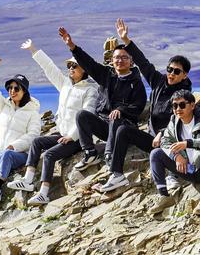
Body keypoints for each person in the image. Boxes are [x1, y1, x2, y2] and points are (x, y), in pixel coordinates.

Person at [6, 38, 100, 205]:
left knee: (49, 155)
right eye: (69, 66)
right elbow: (49, 67)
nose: (70, 68)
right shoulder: (65, 84)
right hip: (63, 134)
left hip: (78, 138)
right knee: (37, 142)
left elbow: (88, 114)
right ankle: (27, 180)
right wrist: (33, 50)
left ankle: (44, 193)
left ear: (84, 69)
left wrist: (71, 136)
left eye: (74, 66)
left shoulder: (90, 90)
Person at [59, 26, 147, 193]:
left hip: (123, 128)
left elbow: (139, 105)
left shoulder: (136, 82)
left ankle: (112, 163)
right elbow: (89, 63)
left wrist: (121, 110)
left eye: (124, 57)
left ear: (131, 61)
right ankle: (90, 153)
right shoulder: (106, 75)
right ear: (112, 60)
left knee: (115, 117)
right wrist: (72, 46)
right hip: (104, 126)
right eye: (116, 58)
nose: (120, 61)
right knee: (82, 115)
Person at [110, 18, 193, 191]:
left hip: (170, 138)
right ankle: (117, 175)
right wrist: (126, 40)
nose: (171, 74)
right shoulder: (158, 81)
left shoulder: (184, 94)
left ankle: (172, 175)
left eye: (176, 71)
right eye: (169, 69)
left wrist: (162, 133)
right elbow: (143, 62)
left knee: (176, 140)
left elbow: (178, 119)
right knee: (123, 130)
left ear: (184, 75)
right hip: (153, 139)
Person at [0, 56, 41, 217]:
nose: (12, 91)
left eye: (16, 88)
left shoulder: (32, 113)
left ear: (24, 91)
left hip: (20, 154)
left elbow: (33, 135)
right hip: (1, 152)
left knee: (6, 154)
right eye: (10, 88)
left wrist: (15, 145)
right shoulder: (4, 107)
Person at [148, 90, 200, 216]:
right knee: (156, 154)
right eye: (175, 106)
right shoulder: (174, 121)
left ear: (192, 105)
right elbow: (165, 141)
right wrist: (177, 156)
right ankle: (164, 196)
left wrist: (188, 143)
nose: (178, 109)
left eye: (182, 105)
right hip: (190, 170)